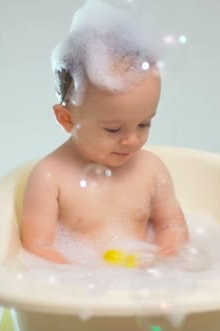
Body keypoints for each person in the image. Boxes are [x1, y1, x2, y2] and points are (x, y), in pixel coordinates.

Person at [20, 0, 189, 264]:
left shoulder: (151, 169)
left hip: (145, 287)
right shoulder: (49, 178)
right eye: (113, 129)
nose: (133, 140)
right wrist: (88, 280)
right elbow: (38, 247)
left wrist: (166, 260)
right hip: (80, 294)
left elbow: (172, 227)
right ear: (67, 119)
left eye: (144, 124)